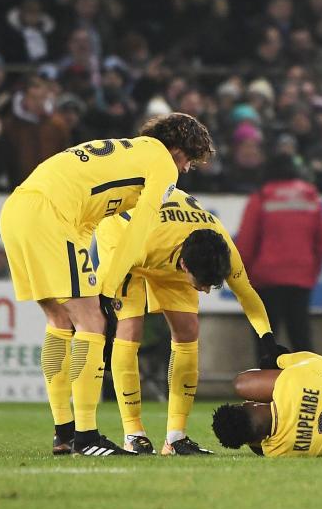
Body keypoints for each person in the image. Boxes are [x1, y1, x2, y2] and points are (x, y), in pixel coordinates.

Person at [0, 112, 214, 457]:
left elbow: (90, 218)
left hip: (19, 210)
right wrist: (109, 286)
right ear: (177, 148)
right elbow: (139, 228)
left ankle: (64, 433)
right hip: (53, 215)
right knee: (94, 322)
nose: (186, 169)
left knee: (59, 321)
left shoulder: (128, 155)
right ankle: (87, 436)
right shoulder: (161, 161)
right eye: (189, 158)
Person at [95, 188, 288, 455]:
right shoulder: (138, 247)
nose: (207, 291)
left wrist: (268, 342)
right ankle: (133, 434)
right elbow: (102, 287)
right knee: (129, 330)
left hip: (172, 245)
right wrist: (105, 327)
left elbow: (247, 295)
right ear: (186, 267)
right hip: (123, 238)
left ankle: (175, 438)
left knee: (188, 330)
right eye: (205, 284)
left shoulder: (221, 246)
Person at [235, 154, 322, 353]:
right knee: (301, 338)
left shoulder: (261, 196)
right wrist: (310, 273)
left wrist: (245, 279)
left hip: (266, 278)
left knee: (266, 339)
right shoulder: (310, 195)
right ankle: (308, 382)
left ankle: (267, 383)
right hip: (301, 278)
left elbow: (245, 243)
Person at [211, 351, 322, 457]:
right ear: (250, 404)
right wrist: (281, 361)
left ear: (255, 440)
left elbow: (259, 446)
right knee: (321, 375)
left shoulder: (277, 451)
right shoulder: (289, 382)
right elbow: (321, 361)